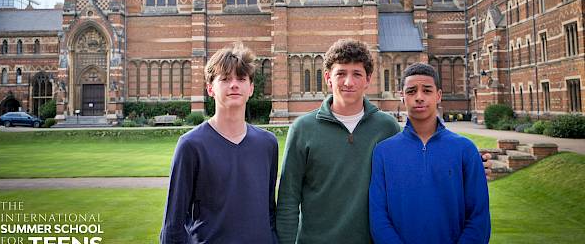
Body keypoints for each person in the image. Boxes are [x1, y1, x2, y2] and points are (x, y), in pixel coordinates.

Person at [276, 39, 401, 244]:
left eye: (357, 74)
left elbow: (397, 195)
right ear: (328, 78)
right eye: (341, 73)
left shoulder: (387, 128)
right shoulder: (303, 129)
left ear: (368, 80)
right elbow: (288, 199)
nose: (348, 82)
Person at [159, 43, 278, 243]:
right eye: (225, 79)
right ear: (210, 88)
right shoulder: (191, 145)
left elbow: (269, 211)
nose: (234, 85)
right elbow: (173, 225)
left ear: (251, 88)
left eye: (241, 79)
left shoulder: (267, 144)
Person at [369, 63, 491, 244]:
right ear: (402, 96)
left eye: (427, 90)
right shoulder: (383, 152)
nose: (419, 97)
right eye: (411, 91)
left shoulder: (465, 149)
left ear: (438, 95)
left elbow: (478, 217)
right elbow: (378, 216)